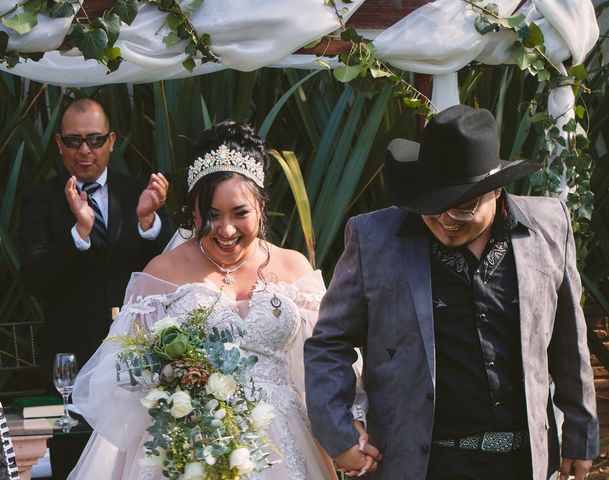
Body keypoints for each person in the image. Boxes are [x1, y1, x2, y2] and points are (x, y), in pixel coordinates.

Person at [304, 104, 599, 480]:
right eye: (431, 207)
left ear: (495, 189)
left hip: (522, 463)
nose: (444, 221)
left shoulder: (550, 226)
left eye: (461, 209)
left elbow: (568, 339)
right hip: (423, 464)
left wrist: (581, 432)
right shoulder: (373, 238)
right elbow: (329, 343)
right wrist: (339, 431)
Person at [67, 120, 371, 479]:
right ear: (193, 211)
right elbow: (125, 371)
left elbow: (329, 358)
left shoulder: (293, 266)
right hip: (189, 444)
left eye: (240, 213)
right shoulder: (162, 274)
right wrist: (175, 385)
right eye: (211, 215)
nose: (226, 230)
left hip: (286, 444)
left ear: (260, 205)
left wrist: (350, 423)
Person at [20, 97, 171, 383]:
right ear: (59, 143)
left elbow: (172, 268)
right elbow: (34, 280)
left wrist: (148, 222)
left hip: (135, 352)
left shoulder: (139, 193)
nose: (84, 150)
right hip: (70, 357)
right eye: (74, 140)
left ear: (111, 140)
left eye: (95, 139)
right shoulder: (40, 199)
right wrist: (79, 232)